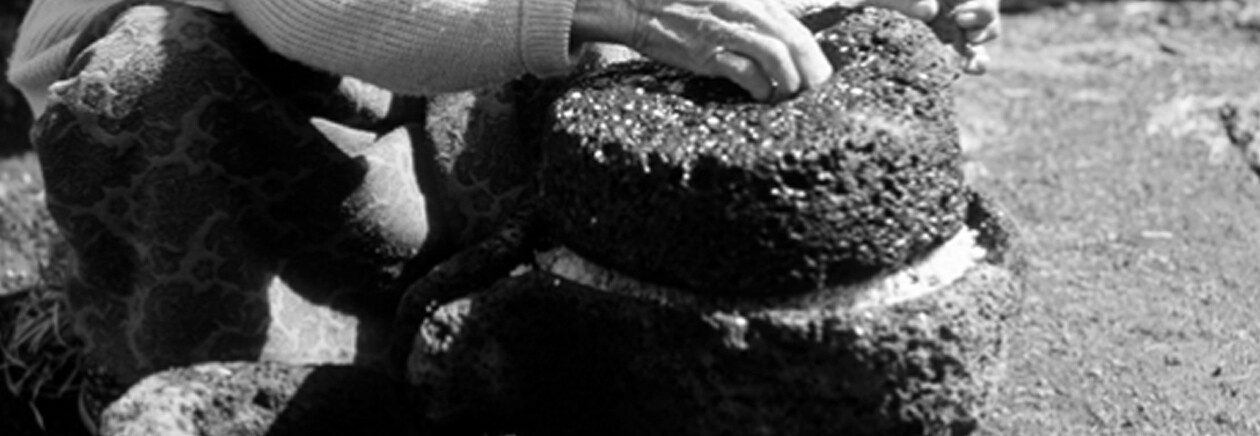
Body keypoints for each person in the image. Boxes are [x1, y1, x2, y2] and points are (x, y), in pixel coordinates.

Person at [5, 0, 999, 415]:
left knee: (610, 40)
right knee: (154, 74)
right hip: (249, 85)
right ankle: (180, 373)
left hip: (432, 72)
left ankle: (468, 335)